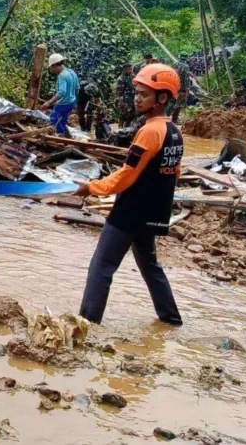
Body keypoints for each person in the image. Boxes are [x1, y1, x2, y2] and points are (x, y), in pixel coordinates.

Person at [74, 63, 184, 327]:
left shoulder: (149, 131)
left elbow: (126, 175)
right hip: (154, 211)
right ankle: (170, 320)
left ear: (162, 98)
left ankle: (87, 325)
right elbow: (175, 173)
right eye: (137, 92)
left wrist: (92, 187)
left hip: (130, 211)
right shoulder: (175, 132)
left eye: (143, 94)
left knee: (101, 267)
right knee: (150, 266)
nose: (136, 98)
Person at [41, 53, 78, 137]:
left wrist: (49, 103)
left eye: (52, 68)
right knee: (62, 120)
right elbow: (77, 87)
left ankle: (60, 139)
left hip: (64, 103)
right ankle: (67, 137)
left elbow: (62, 92)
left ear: (55, 65)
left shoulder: (62, 76)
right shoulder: (71, 72)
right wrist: (74, 100)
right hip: (72, 101)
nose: (52, 70)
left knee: (55, 120)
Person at [169, 53, 192, 124]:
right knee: (179, 103)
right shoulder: (186, 66)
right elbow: (185, 79)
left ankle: (165, 117)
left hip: (173, 86)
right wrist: (185, 89)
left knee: (171, 102)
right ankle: (174, 119)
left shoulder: (175, 64)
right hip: (181, 88)